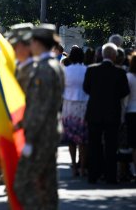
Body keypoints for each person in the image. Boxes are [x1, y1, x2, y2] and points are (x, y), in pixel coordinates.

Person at [14, 24, 64, 209]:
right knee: (47, 183)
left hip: (40, 135)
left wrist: (29, 139)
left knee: (24, 183)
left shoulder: (44, 69)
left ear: (37, 42)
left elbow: (39, 108)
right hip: (49, 132)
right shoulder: (53, 65)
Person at [83, 42, 130, 184]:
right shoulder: (120, 72)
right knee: (111, 146)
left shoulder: (91, 70)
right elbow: (125, 91)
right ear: (115, 56)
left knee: (94, 145)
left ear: (101, 55)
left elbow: (86, 88)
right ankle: (110, 176)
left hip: (94, 112)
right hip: (112, 112)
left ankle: (93, 175)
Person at [61, 46, 89, 177]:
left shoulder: (66, 71)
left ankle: (74, 166)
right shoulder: (86, 70)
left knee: (71, 140)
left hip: (69, 106)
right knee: (83, 141)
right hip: (83, 105)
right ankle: (82, 167)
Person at [7, 23, 34, 92]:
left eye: (15, 46)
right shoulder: (18, 65)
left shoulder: (37, 69)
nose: (12, 49)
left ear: (28, 45)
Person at [123, 53, 136, 179]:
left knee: (133, 143)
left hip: (131, 112)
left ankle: (133, 168)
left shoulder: (129, 77)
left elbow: (125, 97)